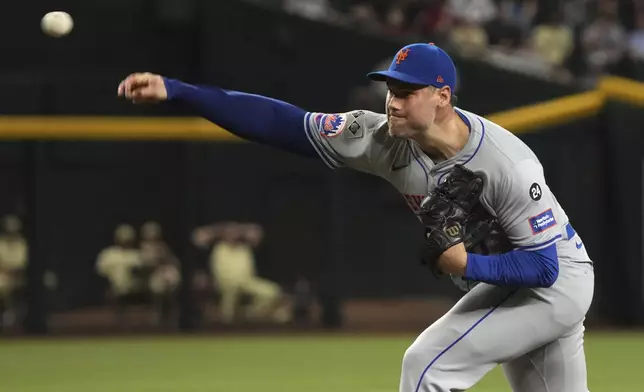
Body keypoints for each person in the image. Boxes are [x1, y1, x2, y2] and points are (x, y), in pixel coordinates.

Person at [118, 42, 594, 391]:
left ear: (443, 96)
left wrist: (465, 265)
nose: (393, 100)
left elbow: (545, 267)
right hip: (522, 279)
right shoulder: (382, 138)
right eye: (391, 88)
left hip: (555, 281)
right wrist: (180, 91)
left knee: (426, 367)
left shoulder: (506, 163)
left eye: (408, 91)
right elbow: (280, 124)